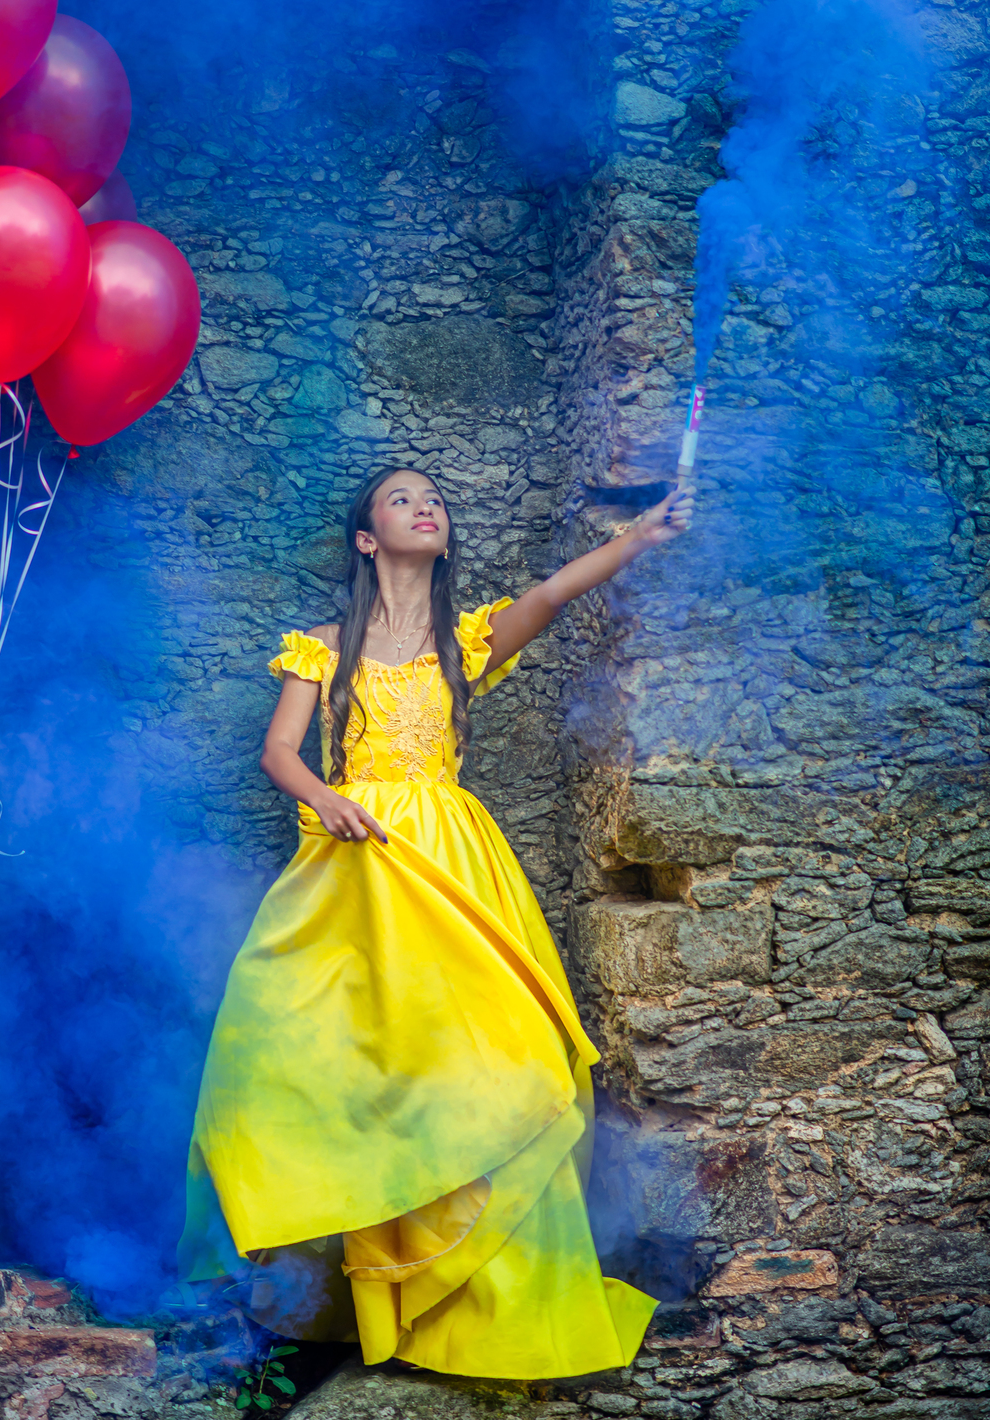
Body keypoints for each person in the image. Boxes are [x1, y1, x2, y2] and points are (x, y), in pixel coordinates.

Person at [180, 465, 695, 1378]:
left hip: (453, 866)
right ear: (366, 538)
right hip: (358, 870)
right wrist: (327, 798)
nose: (426, 507)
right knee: (373, 1075)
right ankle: (378, 1298)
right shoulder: (322, 648)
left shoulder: (464, 643)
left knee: (494, 1061)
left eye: (435, 500)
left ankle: (487, 1299)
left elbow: (552, 592)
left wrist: (640, 537)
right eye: (401, 499)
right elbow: (278, 753)